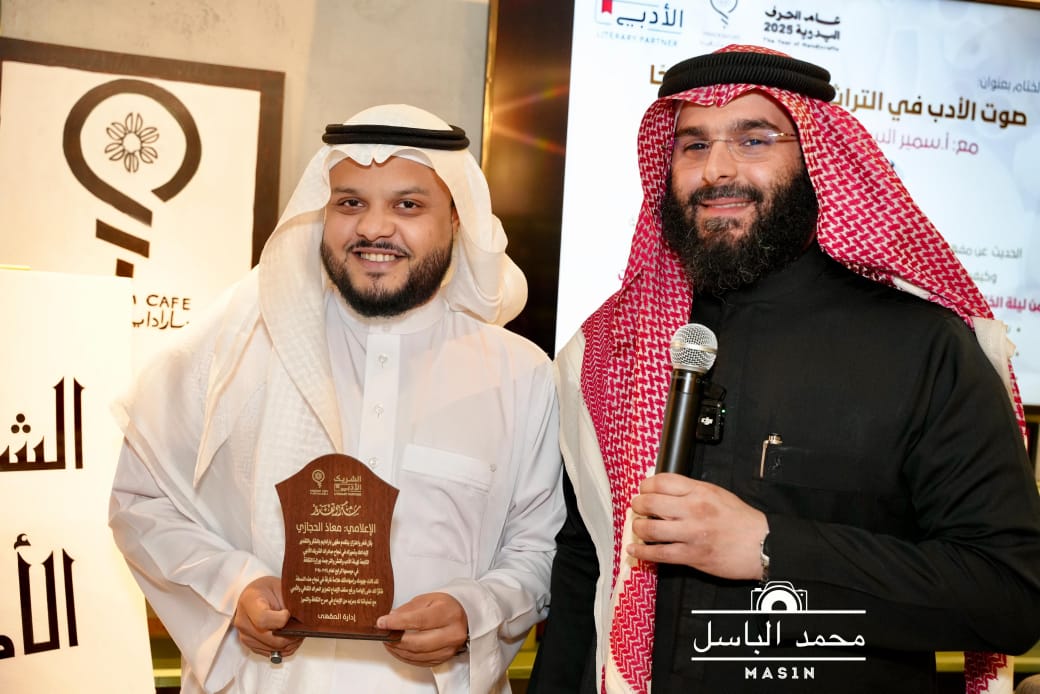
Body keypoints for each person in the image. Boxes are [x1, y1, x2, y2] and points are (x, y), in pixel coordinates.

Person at [528, 45, 1040, 694]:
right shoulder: (608, 349)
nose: (716, 169)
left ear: (817, 160)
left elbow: (1006, 595)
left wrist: (773, 549)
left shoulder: (924, 347)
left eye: (754, 139)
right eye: (693, 144)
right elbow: (584, 570)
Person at [109, 103, 565, 694]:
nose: (374, 228)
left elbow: (538, 547)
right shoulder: (238, 349)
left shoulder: (520, 375)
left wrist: (474, 613)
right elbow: (142, 501)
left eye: (408, 205)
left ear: (456, 218)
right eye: (350, 203)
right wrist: (232, 587)